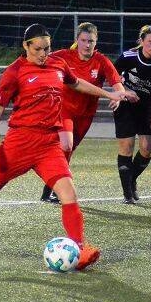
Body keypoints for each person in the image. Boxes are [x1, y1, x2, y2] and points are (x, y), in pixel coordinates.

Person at [0, 23, 125, 271]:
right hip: (19, 144)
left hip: (49, 144)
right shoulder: (15, 72)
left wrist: (109, 95)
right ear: (26, 46)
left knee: (69, 194)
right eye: (38, 49)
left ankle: (79, 249)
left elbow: (76, 84)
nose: (43, 54)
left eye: (47, 48)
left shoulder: (58, 64)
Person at [39, 22, 126, 203]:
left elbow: (117, 83)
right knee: (66, 145)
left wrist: (117, 96)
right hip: (63, 109)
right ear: (77, 40)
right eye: (84, 40)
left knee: (67, 150)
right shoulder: (63, 56)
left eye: (91, 41)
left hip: (85, 115)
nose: (87, 45)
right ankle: (58, 187)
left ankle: (49, 188)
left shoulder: (101, 61)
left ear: (96, 41)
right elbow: (40, 59)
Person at [113, 25, 151, 204]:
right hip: (125, 105)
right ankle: (128, 194)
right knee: (127, 147)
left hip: (148, 107)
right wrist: (122, 93)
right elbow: (112, 77)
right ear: (141, 41)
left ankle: (131, 179)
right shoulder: (127, 57)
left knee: (147, 149)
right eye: (150, 41)